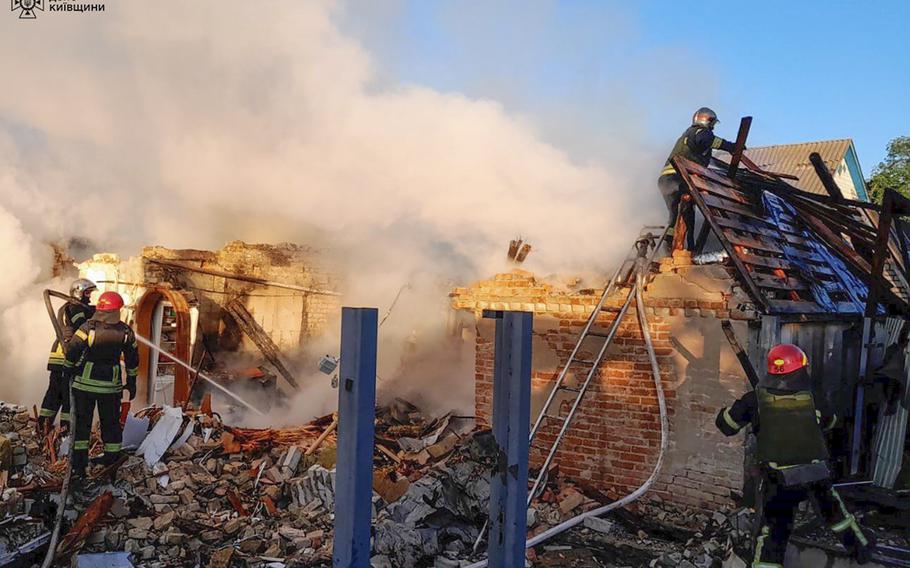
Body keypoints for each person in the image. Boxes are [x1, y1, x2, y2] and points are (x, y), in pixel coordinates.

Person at [716, 343, 873, 567]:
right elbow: (832, 422)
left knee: (773, 532)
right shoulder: (813, 398)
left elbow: (727, 425)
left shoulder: (754, 400)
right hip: (815, 473)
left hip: (778, 479)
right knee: (836, 516)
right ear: (801, 369)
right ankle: (862, 550)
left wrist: (735, 413)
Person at [63, 291, 138, 481]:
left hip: (85, 385)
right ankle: (111, 464)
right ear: (117, 310)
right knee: (111, 425)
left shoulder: (88, 328)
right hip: (111, 388)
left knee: (82, 426)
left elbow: (72, 349)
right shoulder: (126, 332)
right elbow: (132, 360)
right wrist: (132, 382)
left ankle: (79, 466)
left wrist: (68, 369)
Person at [659, 107, 736, 251]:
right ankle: (689, 248)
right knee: (688, 213)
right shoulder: (700, 132)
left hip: (665, 181)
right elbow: (707, 139)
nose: (712, 127)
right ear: (707, 121)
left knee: (675, 215)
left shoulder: (687, 135)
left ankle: (669, 246)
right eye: (712, 123)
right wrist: (731, 146)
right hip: (678, 179)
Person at [38, 278, 97, 436]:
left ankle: (43, 427)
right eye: (87, 292)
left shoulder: (69, 307)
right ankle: (66, 431)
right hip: (68, 354)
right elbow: (83, 326)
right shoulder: (76, 308)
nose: (89, 296)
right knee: (67, 394)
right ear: (78, 291)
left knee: (54, 393)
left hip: (59, 355)